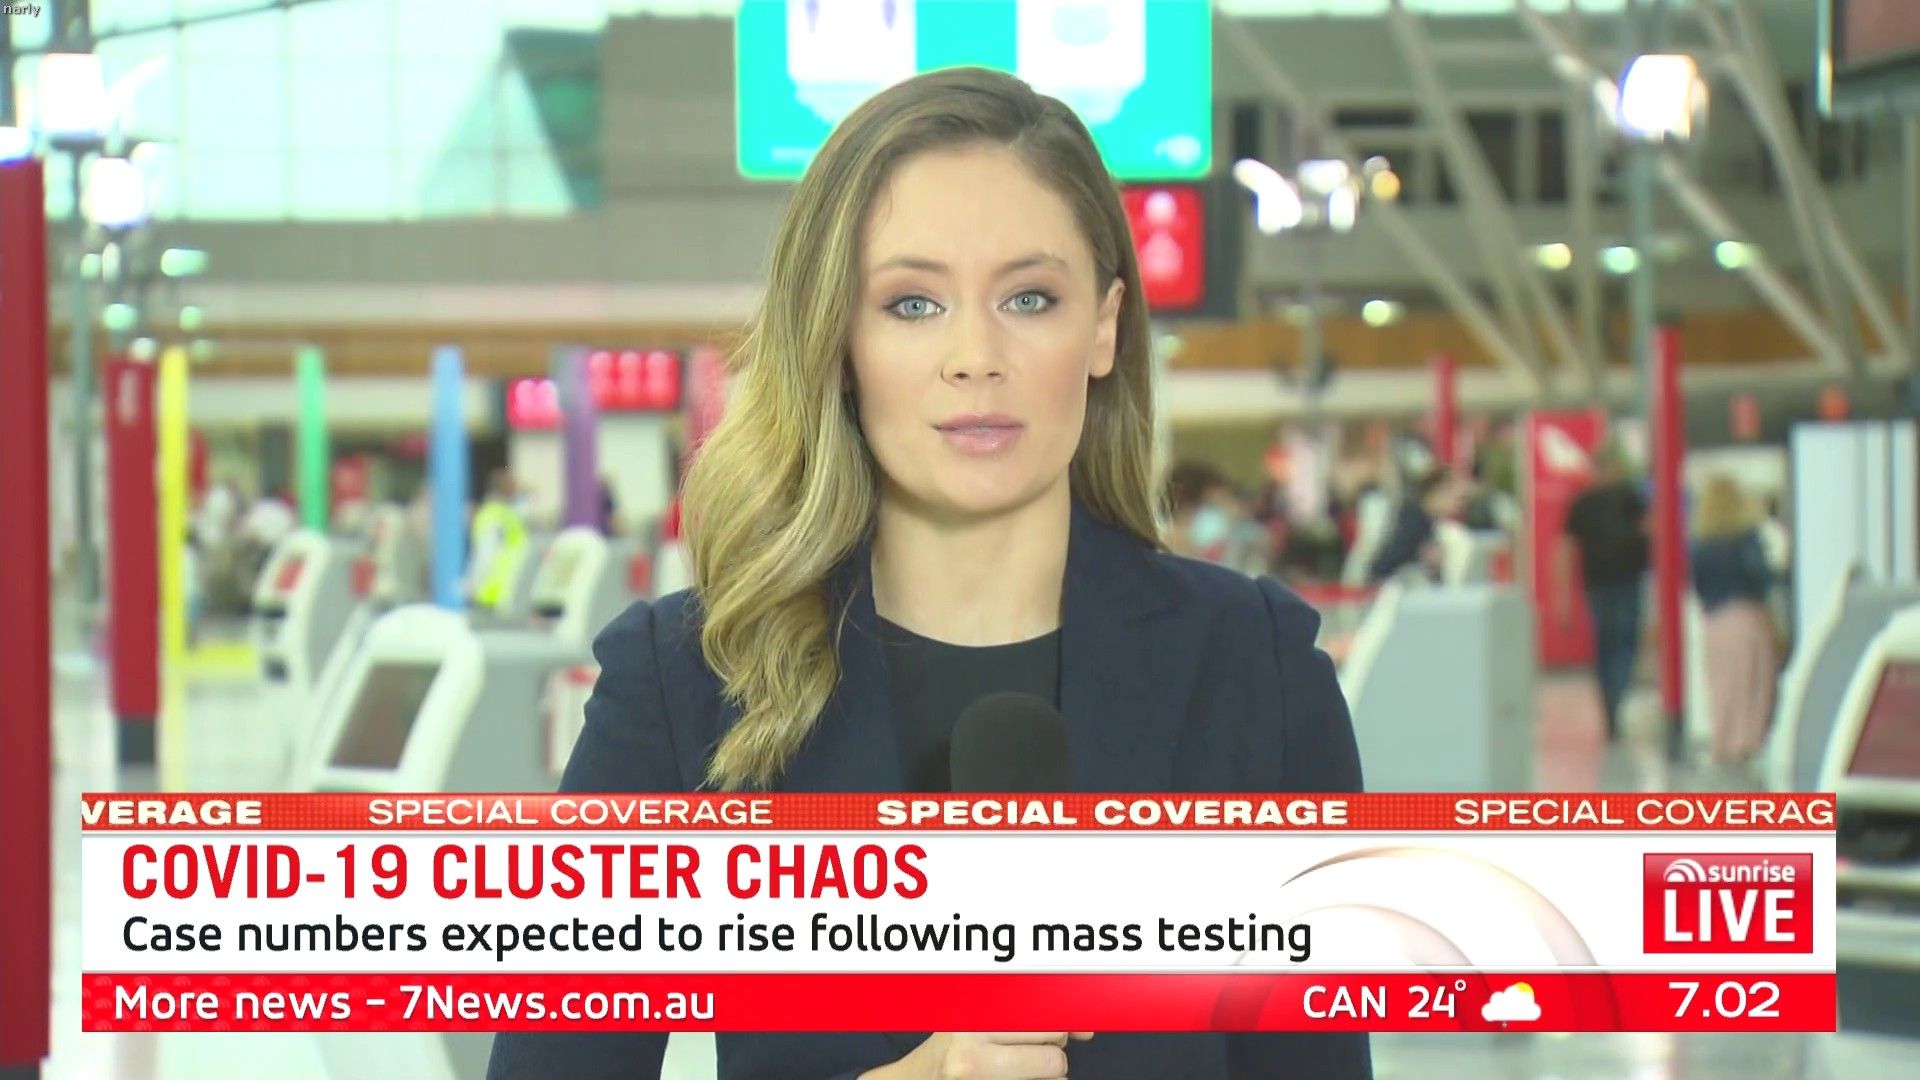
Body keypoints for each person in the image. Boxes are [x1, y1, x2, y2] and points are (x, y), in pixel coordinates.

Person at [488, 67, 1368, 1080]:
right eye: (912, 304)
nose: (975, 355)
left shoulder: (1258, 672)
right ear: (840, 342)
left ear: (1104, 327)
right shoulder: (686, 680)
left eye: (1029, 298)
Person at [1560, 444, 1649, 740]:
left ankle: (1611, 706)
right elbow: (1650, 530)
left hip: (1598, 583)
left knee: (1606, 646)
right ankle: (1615, 702)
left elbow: (1565, 549)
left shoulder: (1582, 503)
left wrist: (1562, 598)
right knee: (1623, 643)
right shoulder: (1628, 497)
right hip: (1625, 581)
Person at [1691, 474, 1778, 765]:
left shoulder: (1700, 544)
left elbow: (1697, 585)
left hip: (1714, 622)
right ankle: (1746, 743)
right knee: (1752, 684)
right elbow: (1762, 579)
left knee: (1721, 685)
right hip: (1746, 617)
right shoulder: (1746, 538)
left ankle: (1723, 743)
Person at [1365, 469, 1460, 584]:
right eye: (1454, 499)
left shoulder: (1429, 523)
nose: (1455, 506)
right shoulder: (1414, 522)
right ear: (1438, 493)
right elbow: (1390, 561)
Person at [468, 469, 529, 613]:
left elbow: (484, 556)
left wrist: (472, 585)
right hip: (504, 596)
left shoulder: (492, 515)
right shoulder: (506, 516)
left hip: (493, 595)